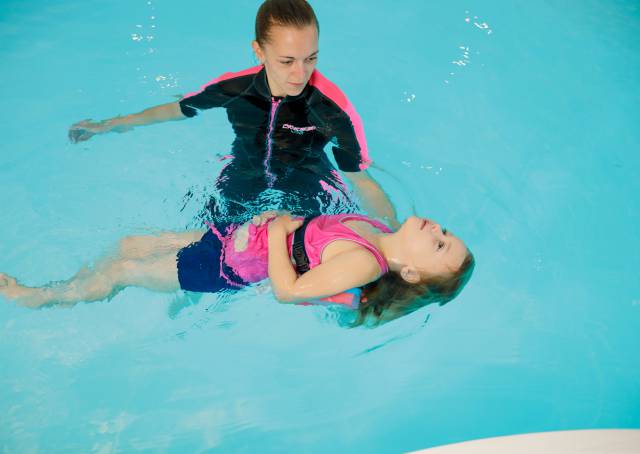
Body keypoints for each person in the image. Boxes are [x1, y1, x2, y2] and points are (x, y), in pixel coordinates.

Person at [68, 0, 399, 227]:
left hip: (308, 184)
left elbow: (362, 181)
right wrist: (109, 125)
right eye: (287, 61)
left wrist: (392, 237)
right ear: (259, 50)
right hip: (243, 173)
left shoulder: (332, 108)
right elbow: (178, 109)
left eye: (311, 58)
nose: (301, 73)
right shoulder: (235, 88)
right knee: (204, 247)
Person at [0, 212, 474, 326]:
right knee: (129, 245)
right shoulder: (377, 227)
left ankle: (35, 296)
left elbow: (289, 290)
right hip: (233, 235)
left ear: (409, 271)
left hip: (227, 266)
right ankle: (85, 281)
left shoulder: (364, 261)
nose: (439, 231)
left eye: (438, 246)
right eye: (446, 234)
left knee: (124, 269)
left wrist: (282, 232)